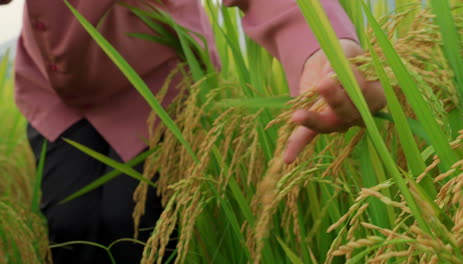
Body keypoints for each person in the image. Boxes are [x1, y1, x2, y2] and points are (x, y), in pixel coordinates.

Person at [1, 0, 385, 263]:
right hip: (54, 91)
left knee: (133, 226)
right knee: (70, 225)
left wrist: (320, 48)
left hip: (155, 82)